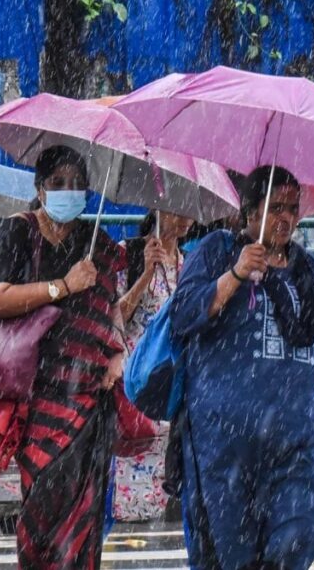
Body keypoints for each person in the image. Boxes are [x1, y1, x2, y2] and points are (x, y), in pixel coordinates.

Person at [170, 165, 314, 570]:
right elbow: (184, 315)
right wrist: (236, 274)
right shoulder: (219, 251)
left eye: (293, 208)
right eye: (276, 208)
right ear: (250, 211)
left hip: (293, 441)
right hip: (225, 444)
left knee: (304, 529)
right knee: (231, 556)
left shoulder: (307, 271)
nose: (286, 218)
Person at [0, 145, 126, 569]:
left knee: (84, 519)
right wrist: (62, 286)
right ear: (40, 189)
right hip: (35, 396)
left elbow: (112, 311)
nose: (68, 191)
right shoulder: (17, 233)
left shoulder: (97, 245)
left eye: (77, 184)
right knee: (42, 511)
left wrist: (117, 354)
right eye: (58, 183)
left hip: (87, 399)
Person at [112, 210, 193, 522]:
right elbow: (116, 316)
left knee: (159, 499)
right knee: (121, 497)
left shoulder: (189, 263)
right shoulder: (129, 253)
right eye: (178, 207)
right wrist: (145, 274)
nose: (186, 217)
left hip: (170, 391)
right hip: (133, 389)